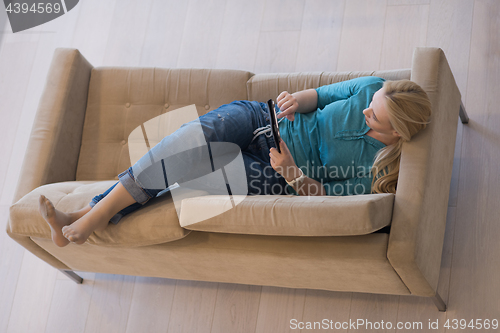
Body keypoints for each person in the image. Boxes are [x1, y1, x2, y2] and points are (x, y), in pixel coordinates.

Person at [38, 76, 431, 247]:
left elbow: (327, 195)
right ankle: (93, 215)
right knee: (190, 142)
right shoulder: (370, 88)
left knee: (200, 166)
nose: (365, 110)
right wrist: (297, 100)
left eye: (373, 115)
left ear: (396, 132)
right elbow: (320, 96)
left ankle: (88, 216)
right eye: (370, 104)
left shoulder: (377, 170)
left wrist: (293, 174)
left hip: (278, 173)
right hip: (264, 119)